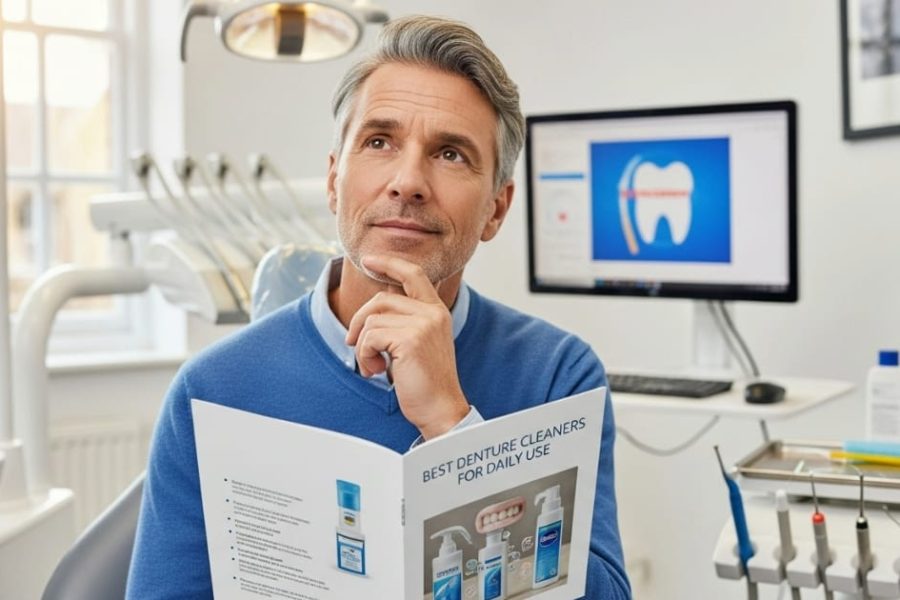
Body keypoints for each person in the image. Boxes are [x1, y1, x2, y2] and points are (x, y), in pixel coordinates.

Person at [127, 15, 631, 599]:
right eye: (379, 142)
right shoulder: (213, 391)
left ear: (496, 208)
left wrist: (452, 426)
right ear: (334, 180)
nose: (408, 181)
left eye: (450, 154)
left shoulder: (558, 376)